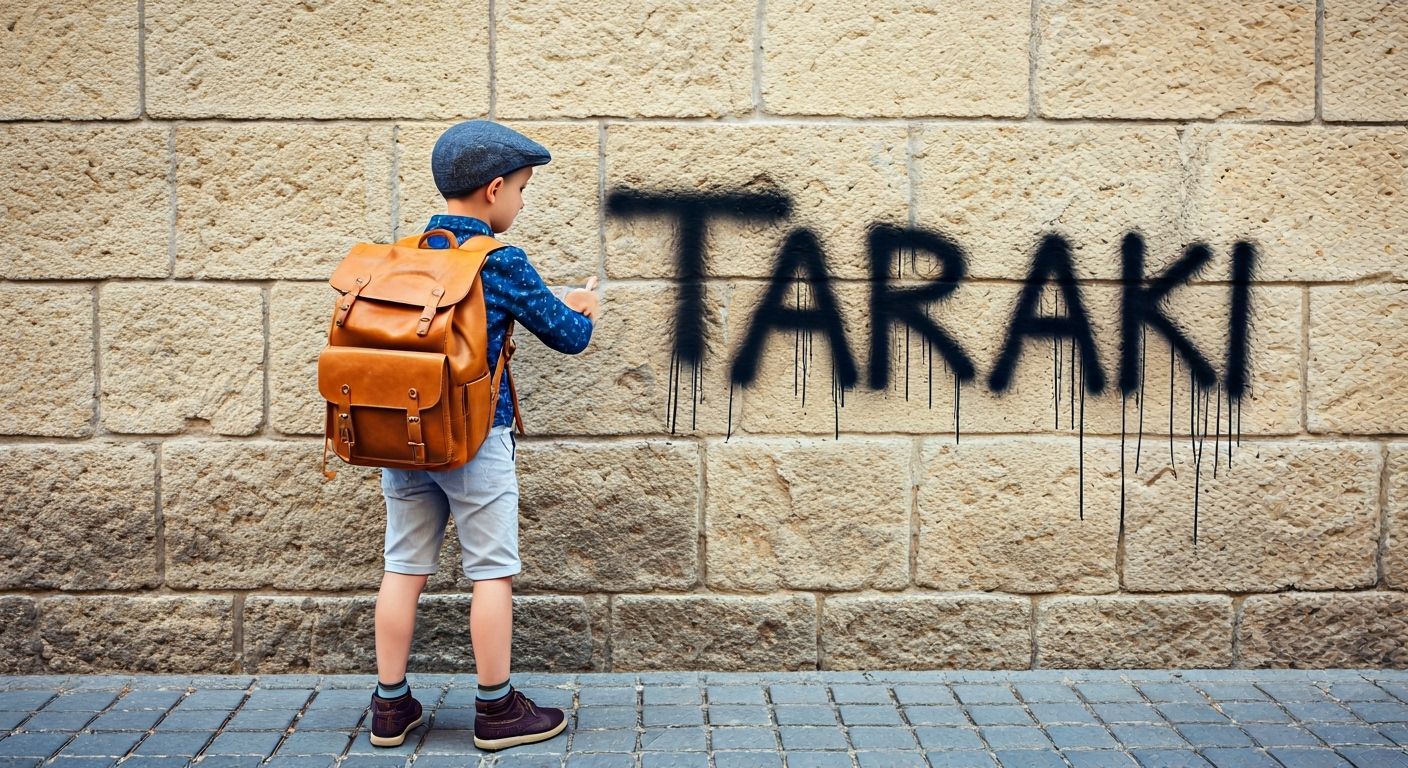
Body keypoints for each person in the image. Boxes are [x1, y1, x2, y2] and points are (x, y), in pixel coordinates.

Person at [367, 120, 600, 751]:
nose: (520, 202)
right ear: (494, 189)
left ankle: (390, 706)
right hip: (475, 439)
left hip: (404, 436)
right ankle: (497, 709)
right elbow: (567, 336)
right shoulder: (499, 260)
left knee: (403, 566)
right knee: (491, 572)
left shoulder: (404, 256)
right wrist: (583, 309)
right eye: (521, 189)